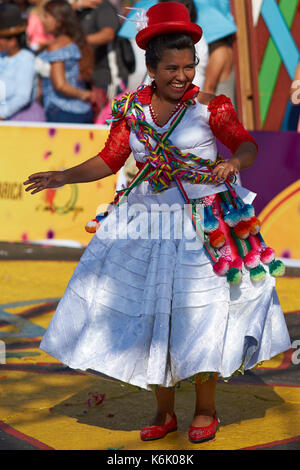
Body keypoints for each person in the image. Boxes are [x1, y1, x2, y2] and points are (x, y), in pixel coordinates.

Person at [24, 2, 291, 444]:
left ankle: (206, 410)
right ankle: (164, 411)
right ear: (150, 66)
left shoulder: (212, 106)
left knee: (202, 315)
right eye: (172, 67)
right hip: (148, 225)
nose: (183, 76)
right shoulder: (130, 109)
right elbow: (111, 160)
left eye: (189, 66)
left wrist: (233, 164)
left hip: (203, 229)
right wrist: (63, 175)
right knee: (153, 316)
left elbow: (245, 145)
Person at [36, 0, 94, 123]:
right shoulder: (72, 41)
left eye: (46, 16)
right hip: (81, 110)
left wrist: (84, 94)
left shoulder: (57, 46)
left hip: (60, 109)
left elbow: (60, 85)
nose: (42, 20)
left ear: (59, 19)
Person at [77, 0, 128, 119]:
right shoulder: (82, 9)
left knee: (110, 122)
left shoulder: (105, 8)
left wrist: (78, 41)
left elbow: (108, 34)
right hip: (91, 77)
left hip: (109, 78)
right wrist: (77, 5)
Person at [0, 3, 45, 121]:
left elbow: (22, 96)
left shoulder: (25, 59)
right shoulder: (2, 57)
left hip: (22, 119)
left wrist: (2, 114)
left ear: (13, 41)